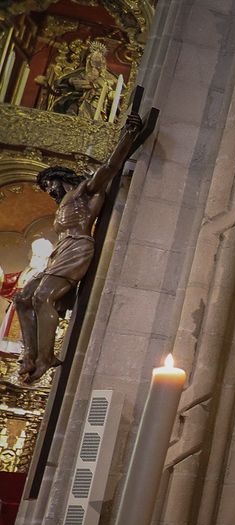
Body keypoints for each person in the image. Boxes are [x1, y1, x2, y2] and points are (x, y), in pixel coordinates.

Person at [13, 112, 144, 384]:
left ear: (61, 178)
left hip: (77, 246)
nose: (50, 191)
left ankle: (46, 357)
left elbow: (110, 167)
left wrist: (128, 136)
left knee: (42, 297)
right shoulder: (63, 205)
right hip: (60, 251)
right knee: (23, 298)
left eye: (50, 185)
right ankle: (30, 353)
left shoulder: (84, 191)